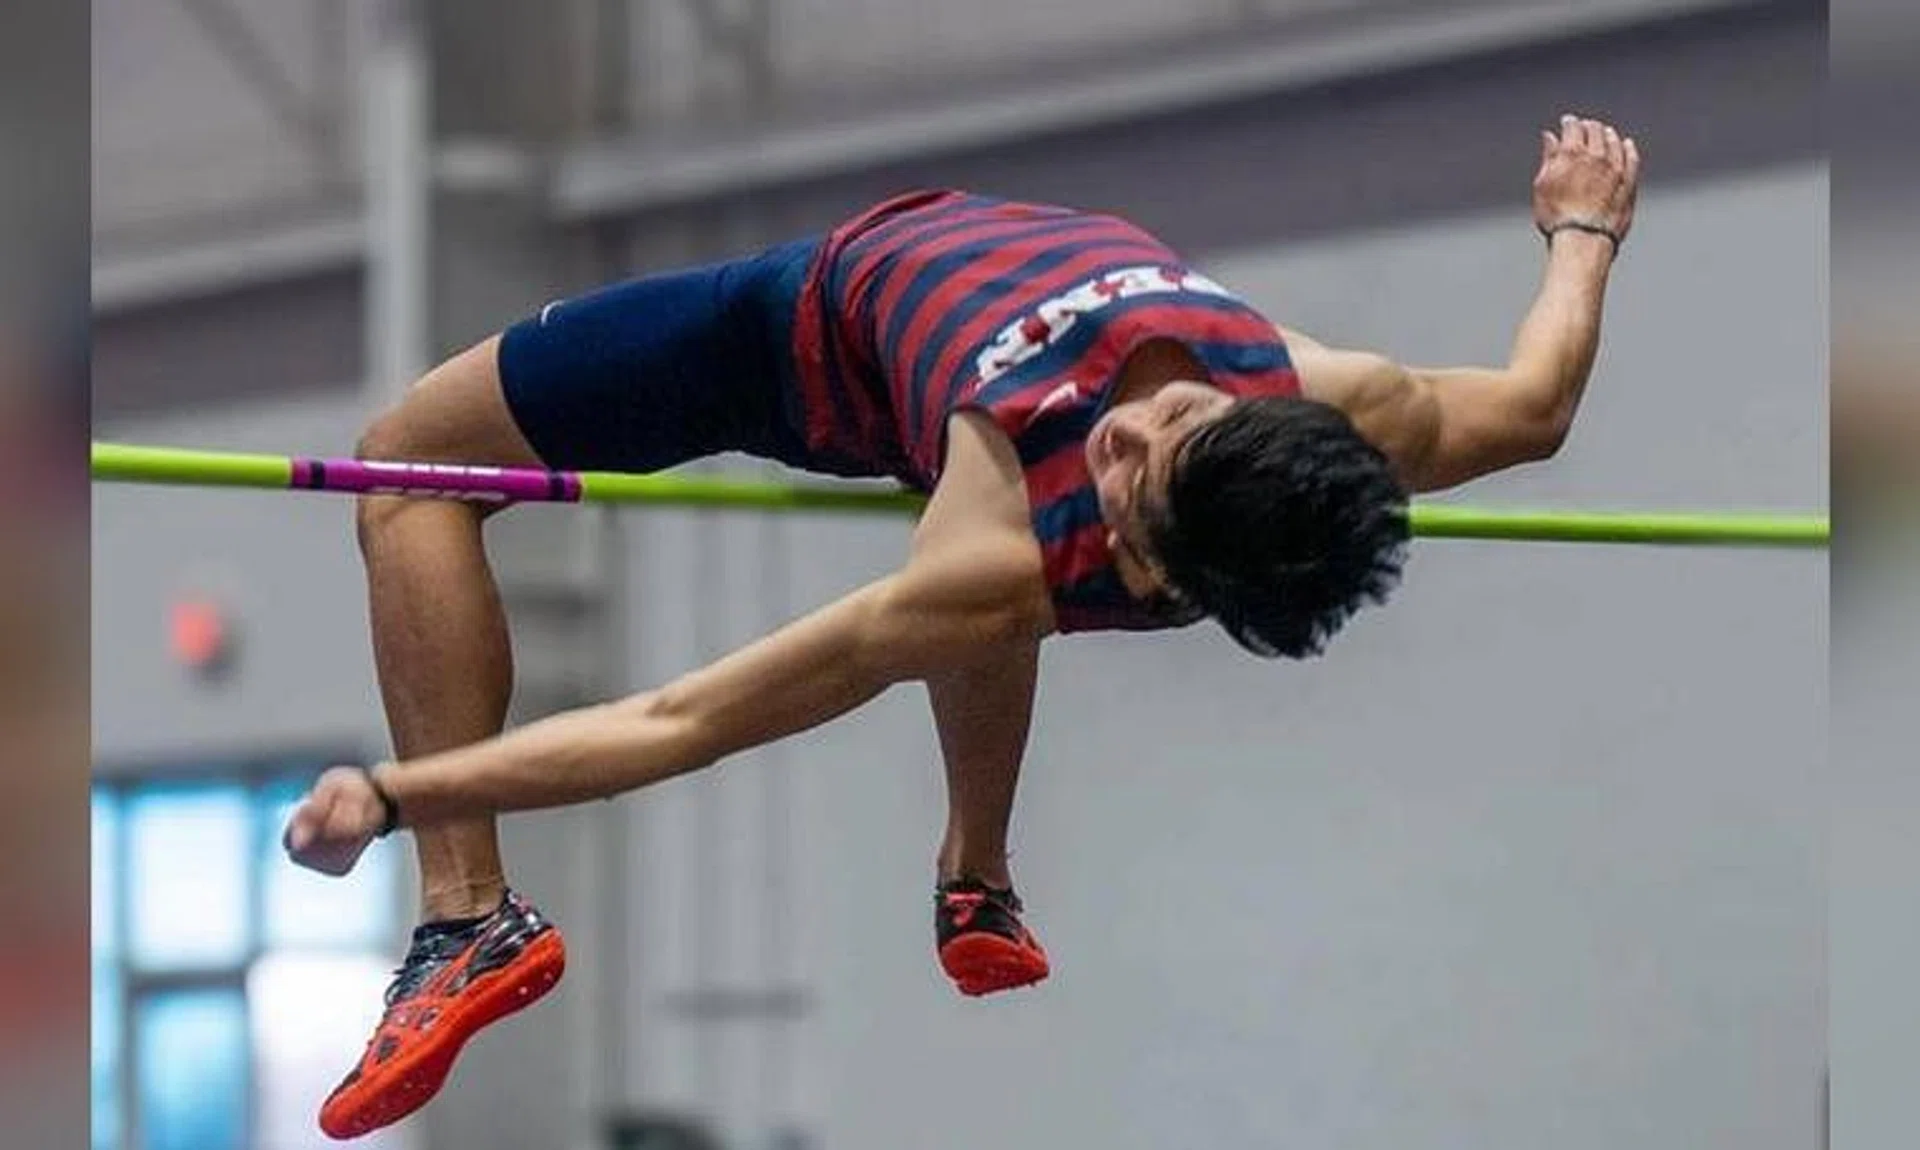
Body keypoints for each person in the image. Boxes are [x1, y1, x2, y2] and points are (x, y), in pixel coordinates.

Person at [287, 114, 1640, 1139]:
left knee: (408, 462)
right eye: (1180, 415)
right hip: (963, 405)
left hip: (802, 332)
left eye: (1133, 476)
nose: (1132, 421)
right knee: (997, 571)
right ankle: (974, 879)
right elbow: (1535, 403)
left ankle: (468, 916)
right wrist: (1584, 231)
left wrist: (402, 793)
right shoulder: (1350, 400)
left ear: (1148, 567)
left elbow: (681, 718)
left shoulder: (993, 548)